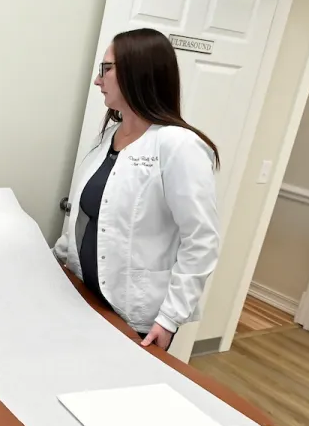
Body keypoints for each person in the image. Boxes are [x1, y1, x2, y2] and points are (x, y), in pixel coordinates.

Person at [54, 28, 220, 350]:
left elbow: (201, 240)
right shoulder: (108, 137)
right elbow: (84, 217)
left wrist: (169, 318)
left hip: (137, 317)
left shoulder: (177, 145)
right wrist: (57, 260)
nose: (97, 80)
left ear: (136, 72)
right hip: (85, 294)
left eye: (106, 69)